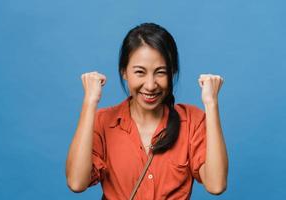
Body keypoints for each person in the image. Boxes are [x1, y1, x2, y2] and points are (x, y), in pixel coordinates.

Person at [65, 23, 228, 200]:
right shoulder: (104, 121)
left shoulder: (192, 121)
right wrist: (90, 102)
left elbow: (216, 184)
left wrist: (211, 104)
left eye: (160, 72)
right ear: (124, 72)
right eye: (140, 72)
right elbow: (76, 182)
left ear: (172, 73)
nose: (150, 85)